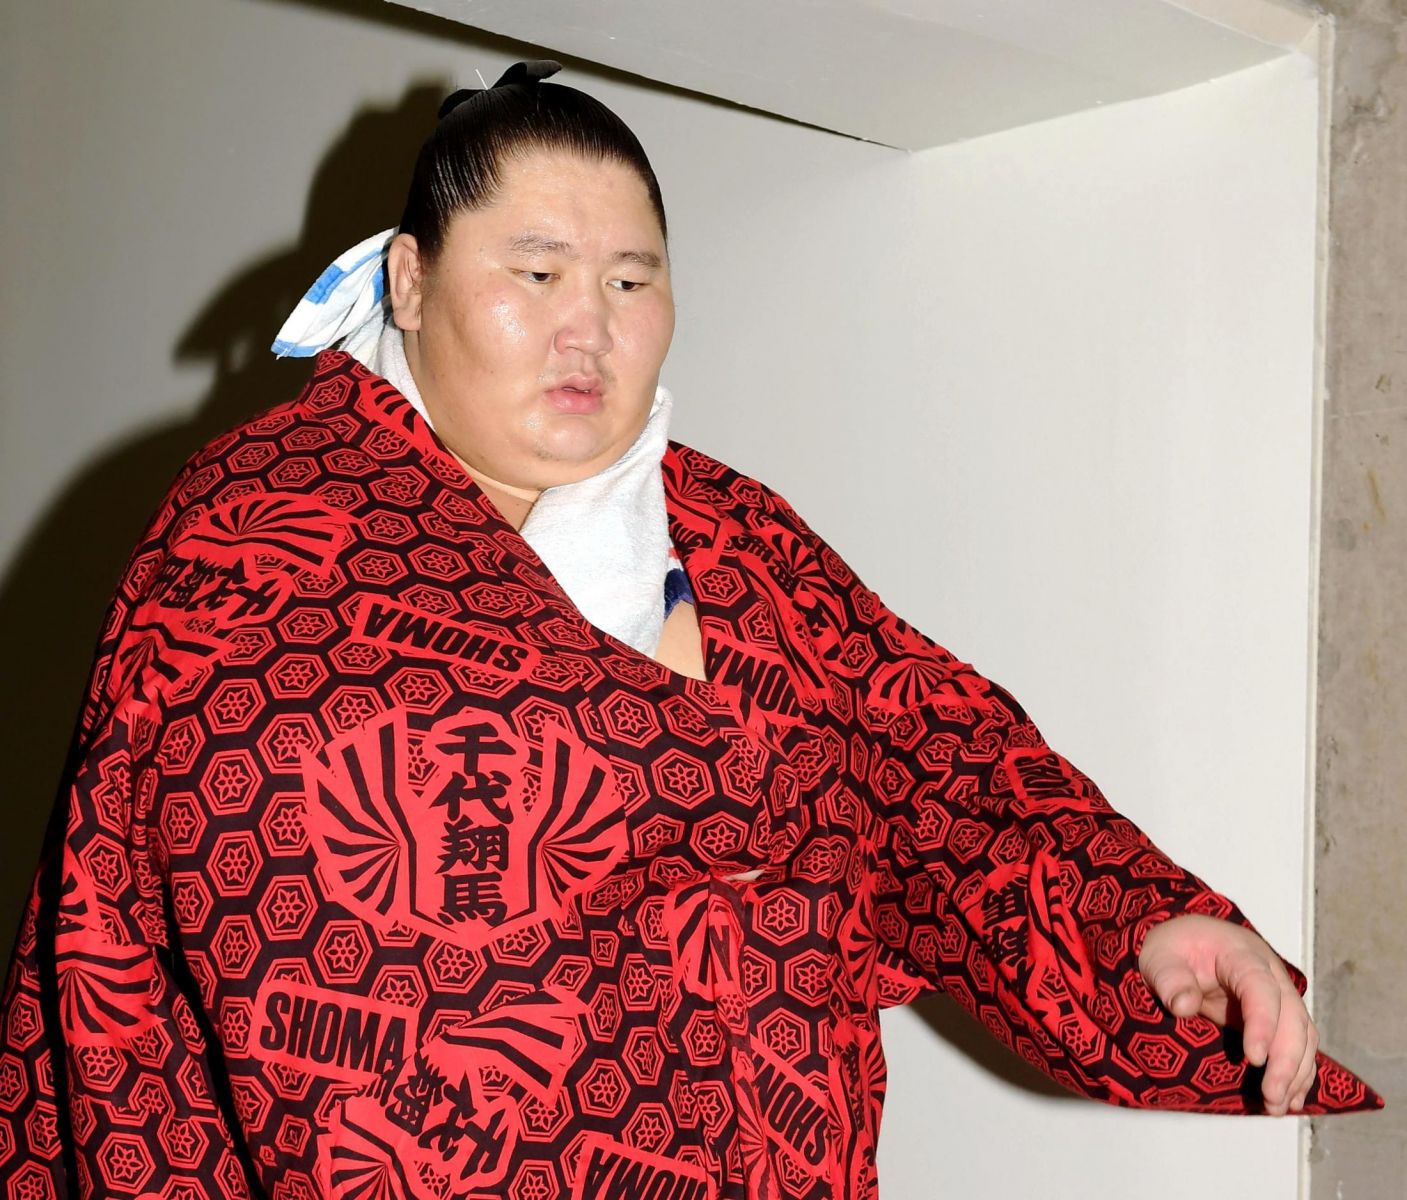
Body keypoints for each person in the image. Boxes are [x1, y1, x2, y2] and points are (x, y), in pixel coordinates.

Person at [0, 59, 1380, 1200]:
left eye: (629, 280)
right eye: (536, 272)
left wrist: (1136, 923)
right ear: (411, 282)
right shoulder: (258, 541)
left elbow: (927, 763)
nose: (587, 331)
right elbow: (295, 954)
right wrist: (681, 777)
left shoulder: (728, 533)